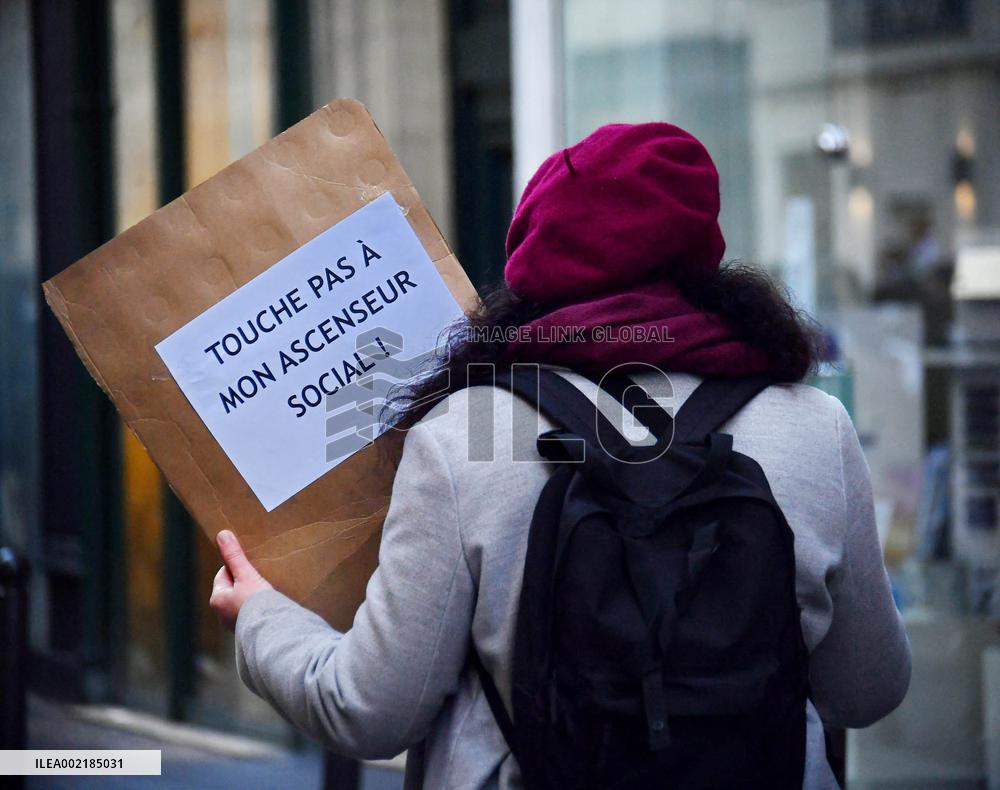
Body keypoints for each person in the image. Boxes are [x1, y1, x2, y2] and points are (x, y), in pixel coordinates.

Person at [210, 123, 911, 789]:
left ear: (533, 262)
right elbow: (868, 688)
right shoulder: (816, 428)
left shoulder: (462, 435)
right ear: (701, 251)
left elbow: (370, 708)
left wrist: (262, 617)